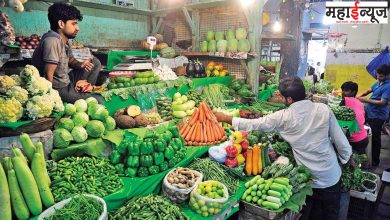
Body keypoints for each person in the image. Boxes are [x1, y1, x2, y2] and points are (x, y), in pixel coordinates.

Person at [214, 76, 352, 220]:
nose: (278, 97)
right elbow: (340, 141)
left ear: (290, 99)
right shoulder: (323, 109)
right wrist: (346, 159)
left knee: (307, 213)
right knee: (331, 214)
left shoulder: (284, 116)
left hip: (306, 179)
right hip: (330, 175)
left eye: (280, 95)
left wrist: (225, 118)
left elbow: (258, 124)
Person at [32, 2, 102, 103]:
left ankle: (84, 89)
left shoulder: (64, 40)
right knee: (98, 100)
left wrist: (82, 64)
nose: (77, 28)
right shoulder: (52, 40)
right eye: (73, 24)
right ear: (61, 24)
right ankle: (83, 96)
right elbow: (48, 74)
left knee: (94, 62)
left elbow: (70, 60)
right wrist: (51, 100)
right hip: (59, 89)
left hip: (67, 81)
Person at [357, 64, 390, 166]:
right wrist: (358, 96)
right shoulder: (379, 82)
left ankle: (375, 160)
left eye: (381, 76)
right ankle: (368, 155)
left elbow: (382, 102)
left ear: (388, 75)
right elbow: (368, 90)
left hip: (378, 116)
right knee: (370, 134)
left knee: (375, 138)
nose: (378, 78)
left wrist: (365, 100)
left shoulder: (388, 86)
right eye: (377, 75)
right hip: (371, 113)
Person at [340, 81, 368, 154]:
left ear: (353, 92)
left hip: (354, 140)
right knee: (360, 160)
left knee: (353, 161)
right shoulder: (361, 103)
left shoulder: (345, 100)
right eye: (342, 90)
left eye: (346, 90)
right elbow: (365, 119)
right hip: (364, 137)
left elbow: (338, 117)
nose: (343, 92)